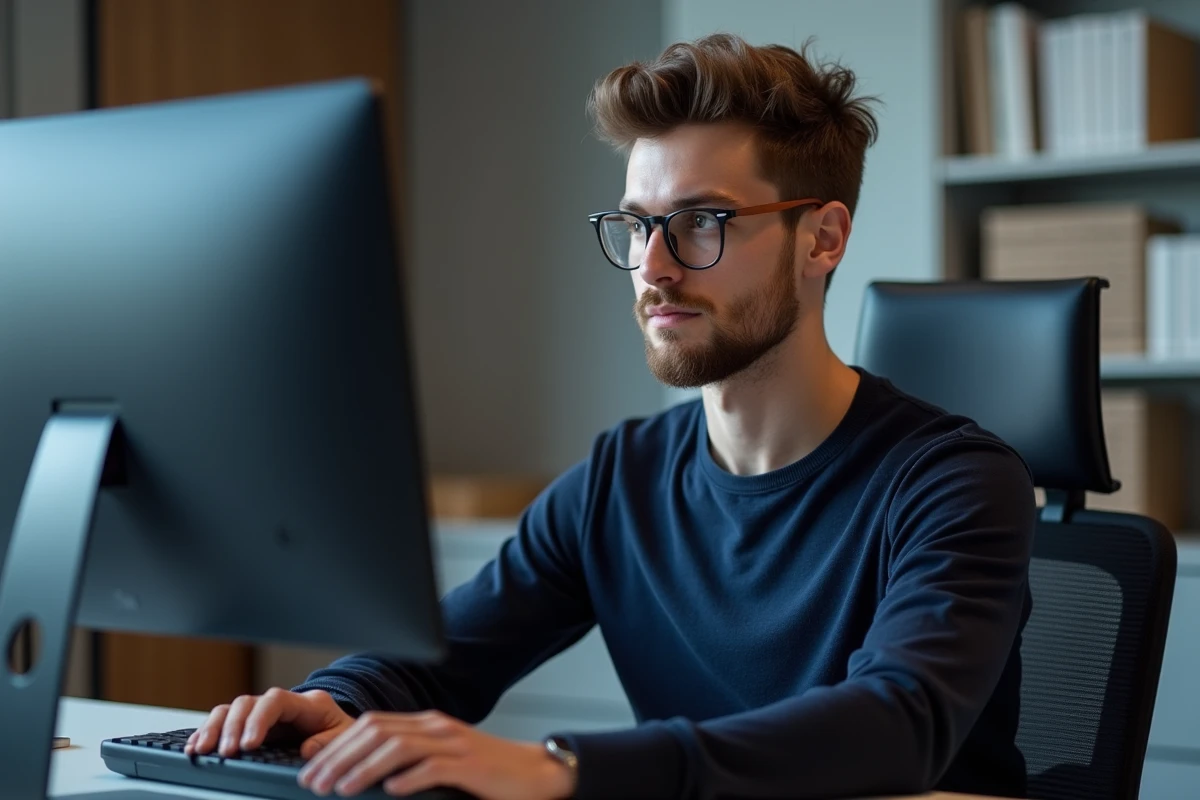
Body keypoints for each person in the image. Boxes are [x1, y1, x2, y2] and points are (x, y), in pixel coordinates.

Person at [187, 33, 1035, 800]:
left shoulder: (955, 482)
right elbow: (447, 654)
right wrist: (331, 700)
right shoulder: (620, 478)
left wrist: (565, 768)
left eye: (700, 222)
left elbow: (896, 726)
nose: (654, 267)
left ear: (822, 240)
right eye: (637, 227)